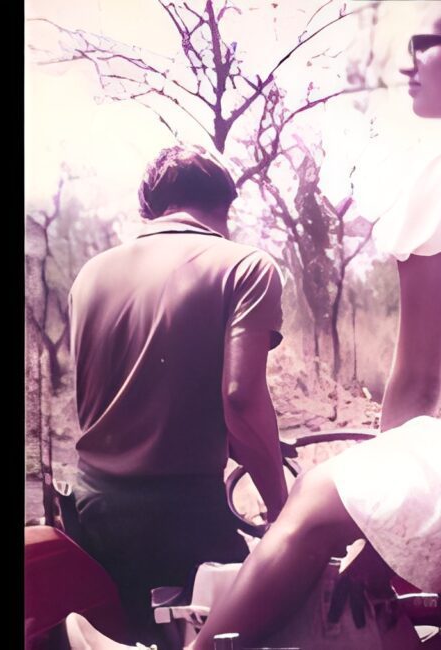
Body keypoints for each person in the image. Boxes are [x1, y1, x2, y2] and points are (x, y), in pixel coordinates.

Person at [68, 2, 441, 648]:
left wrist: (376, 528)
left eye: (426, 45)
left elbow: (418, 382)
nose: (408, 62)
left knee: (313, 500)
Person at [66, 145, 289, 643]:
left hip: (93, 507)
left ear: (150, 207)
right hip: (182, 513)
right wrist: (281, 511)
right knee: (270, 623)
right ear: (225, 206)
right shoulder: (246, 267)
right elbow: (240, 399)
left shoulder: (89, 274)